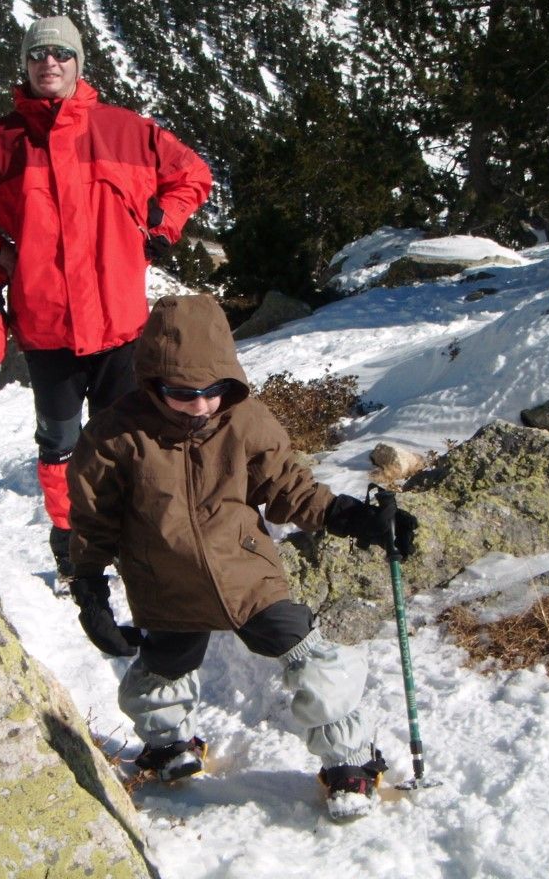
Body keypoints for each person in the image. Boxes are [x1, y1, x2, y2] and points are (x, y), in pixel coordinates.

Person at [66, 294, 418, 817]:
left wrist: (354, 517)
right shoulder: (114, 436)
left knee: (305, 651)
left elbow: (288, 487)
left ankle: (349, 759)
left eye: (215, 391)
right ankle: (168, 745)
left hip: (244, 569)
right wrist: (90, 591)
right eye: (184, 394)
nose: (203, 405)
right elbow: (93, 522)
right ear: (153, 381)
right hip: (163, 579)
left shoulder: (245, 418)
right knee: (164, 667)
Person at [0, 15, 213, 582]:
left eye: (61, 54)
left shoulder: (126, 131)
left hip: (120, 325)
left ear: (79, 63)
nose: (49, 63)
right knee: (59, 445)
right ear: (24, 65)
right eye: (37, 55)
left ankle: (130, 538)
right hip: (48, 328)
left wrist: (162, 224)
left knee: (125, 442)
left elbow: (192, 175)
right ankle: (72, 544)